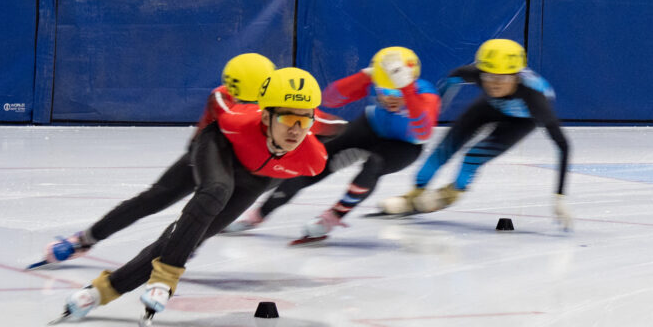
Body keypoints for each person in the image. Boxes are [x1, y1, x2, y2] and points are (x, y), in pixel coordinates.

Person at [58, 67, 328, 323]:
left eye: (304, 120)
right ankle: (158, 274)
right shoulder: (238, 121)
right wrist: (197, 140)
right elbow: (218, 96)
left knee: (183, 237)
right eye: (287, 118)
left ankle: (99, 293)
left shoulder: (312, 159)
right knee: (207, 192)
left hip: (252, 179)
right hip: (218, 146)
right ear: (266, 116)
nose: (296, 129)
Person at [34, 54, 345, 267]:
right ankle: (85, 239)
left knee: (206, 222)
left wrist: (355, 133)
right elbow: (227, 123)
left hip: (255, 170)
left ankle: (181, 248)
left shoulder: (281, 114)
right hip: (210, 157)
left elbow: (325, 124)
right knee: (155, 198)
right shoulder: (222, 99)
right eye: (245, 101)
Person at [222, 46, 440, 240]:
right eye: (384, 91)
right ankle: (259, 214)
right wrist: (366, 76)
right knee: (315, 160)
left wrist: (407, 89)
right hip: (371, 126)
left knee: (373, 165)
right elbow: (331, 98)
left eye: (397, 91)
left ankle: (333, 217)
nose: (391, 98)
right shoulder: (379, 83)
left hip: (406, 144)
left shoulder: (426, 94)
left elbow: (422, 130)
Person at [379, 38, 572, 230]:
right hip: (491, 105)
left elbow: (563, 145)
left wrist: (559, 196)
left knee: (473, 156)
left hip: (523, 119)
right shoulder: (476, 74)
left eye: (503, 78)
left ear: (516, 76)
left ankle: (451, 194)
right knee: (446, 146)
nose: (495, 84)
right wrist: (434, 110)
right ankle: (415, 192)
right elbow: (452, 78)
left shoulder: (534, 98)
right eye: (489, 77)